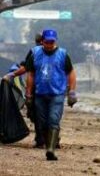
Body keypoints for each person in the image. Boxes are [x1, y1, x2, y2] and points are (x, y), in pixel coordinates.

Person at [26, 28, 77, 161]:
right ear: (42, 41)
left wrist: (71, 92)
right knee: (42, 123)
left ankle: (51, 149)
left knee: (53, 120)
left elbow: (71, 72)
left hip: (57, 94)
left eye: (51, 42)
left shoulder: (63, 54)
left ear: (55, 41)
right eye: (47, 42)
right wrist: (28, 94)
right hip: (40, 94)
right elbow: (30, 74)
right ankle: (48, 145)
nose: (49, 45)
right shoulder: (35, 54)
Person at [3, 33, 44, 148]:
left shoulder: (34, 52)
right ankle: (52, 138)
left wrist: (11, 74)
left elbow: (26, 69)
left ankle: (41, 139)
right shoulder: (58, 52)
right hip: (53, 90)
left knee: (36, 114)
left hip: (38, 88)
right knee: (51, 114)